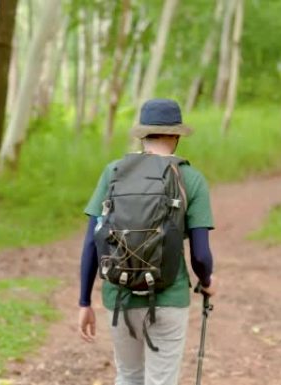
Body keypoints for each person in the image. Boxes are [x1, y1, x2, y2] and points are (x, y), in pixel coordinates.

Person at [78, 99, 217, 385]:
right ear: (176, 137)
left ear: (142, 135)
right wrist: (207, 280)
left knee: (128, 376)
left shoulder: (114, 172)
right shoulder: (190, 178)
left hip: (119, 296)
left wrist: (84, 301)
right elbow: (201, 255)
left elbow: (93, 242)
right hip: (169, 296)